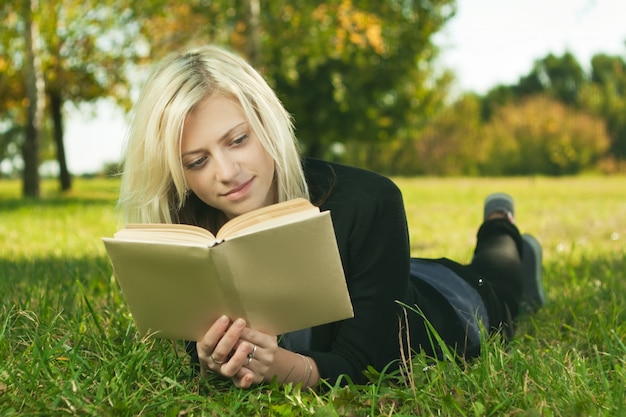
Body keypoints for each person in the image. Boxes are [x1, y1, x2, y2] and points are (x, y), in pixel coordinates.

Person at [117, 45, 546, 389]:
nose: (226, 173)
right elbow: (207, 355)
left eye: (238, 140)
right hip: (382, 278)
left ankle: (502, 225)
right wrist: (213, 364)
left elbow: (364, 366)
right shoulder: (188, 234)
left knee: (500, 273)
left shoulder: (370, 200)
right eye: (196, 161)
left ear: (267, 121)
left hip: (446, 305)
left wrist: (280, 366)